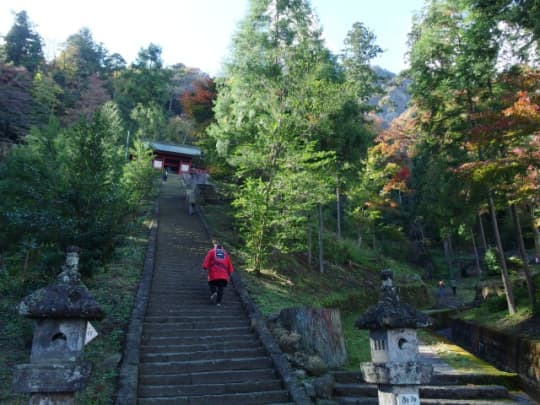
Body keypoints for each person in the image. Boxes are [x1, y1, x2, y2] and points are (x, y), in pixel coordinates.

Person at [202, 239, 234, 306]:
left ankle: (214, 292)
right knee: (221, 287)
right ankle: (218, 302)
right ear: (222, 247)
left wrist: (205, 266)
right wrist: (231, 271)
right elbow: (229, 263)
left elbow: (207, 259)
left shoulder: (212, 251)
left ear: (215, 246)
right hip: (224, 274)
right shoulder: (225, 253)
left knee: (211, 282)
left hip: (214, 272)